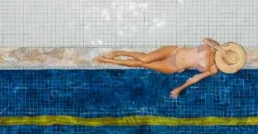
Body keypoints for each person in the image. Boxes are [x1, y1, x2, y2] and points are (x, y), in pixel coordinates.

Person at [96, 38, 247, 98]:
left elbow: (195, 78)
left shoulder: (213, 69)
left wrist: (180, 88)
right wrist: (220, 49)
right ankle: (119, 53)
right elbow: (205, 39)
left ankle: (108, 61)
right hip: (174, 51)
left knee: (143, 64)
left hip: (173, 66)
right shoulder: (212, 47)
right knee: (145, 58)